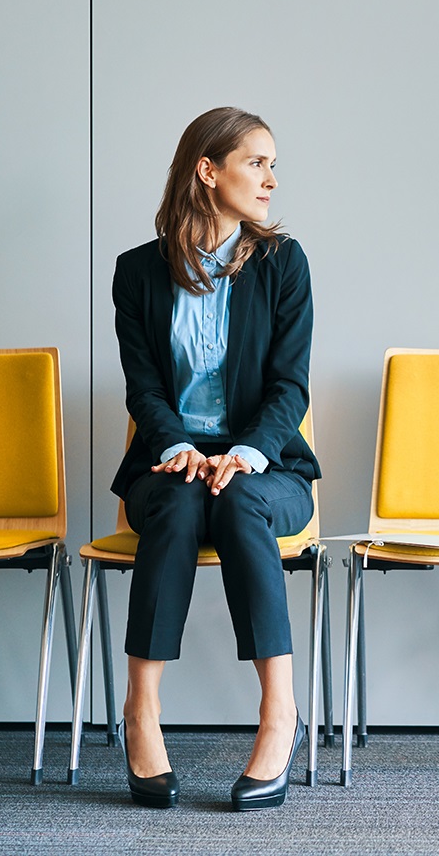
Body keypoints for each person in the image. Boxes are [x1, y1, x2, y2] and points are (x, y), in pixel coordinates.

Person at [110, 107, 320, 811]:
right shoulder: (137, 272)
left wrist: (248, 453)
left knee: (237, 498)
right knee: (174, 500)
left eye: (270, 163)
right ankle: (141, 711)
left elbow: (290, 385)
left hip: (268, 468)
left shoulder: (282, 264)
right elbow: (142, 386)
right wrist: (175, 447)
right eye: (256, 162)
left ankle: (280, 715)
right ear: (209, 170)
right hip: (169, 464)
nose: (271, 177)